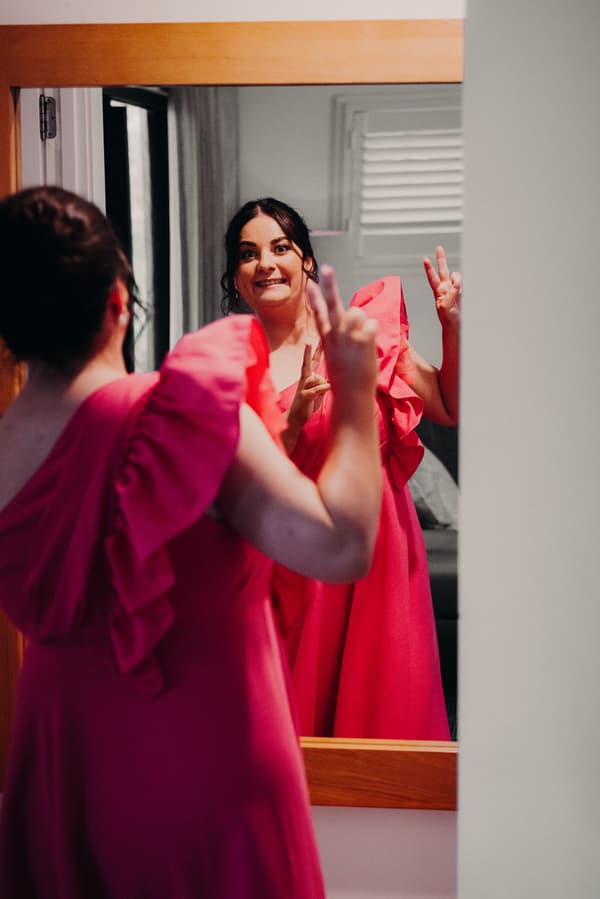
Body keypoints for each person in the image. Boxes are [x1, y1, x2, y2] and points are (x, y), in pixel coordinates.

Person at [0, 186, 383, 899]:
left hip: (61, 773)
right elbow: (342, 545)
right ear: (118, 301)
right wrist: (355, 391)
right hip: (204, 774)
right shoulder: (174, 418)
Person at [221, 197, 461, 740]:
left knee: (388, 719)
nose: (265, 262)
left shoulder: (362, 331)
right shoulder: (235, 369)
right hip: (296, 559)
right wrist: (294, 419)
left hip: (383, 551)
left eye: (280, 247)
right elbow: (237, 493)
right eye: (248, 253)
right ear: (236, 279)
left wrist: (452, 326)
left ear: (305, 260)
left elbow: (448, 405)